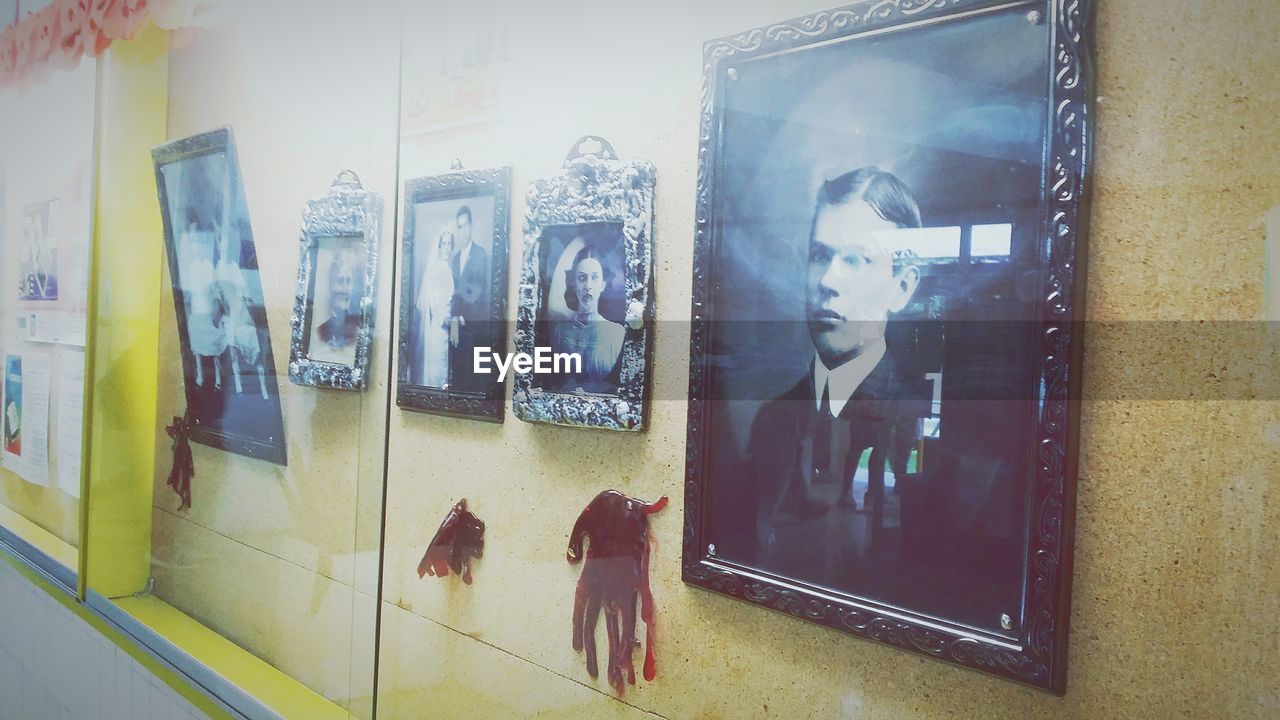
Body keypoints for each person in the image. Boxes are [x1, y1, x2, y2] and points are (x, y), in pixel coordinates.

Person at [745, 166, 928, 564]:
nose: (828, 279)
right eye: (819, 255)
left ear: (902, 287)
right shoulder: (773, 417)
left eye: (857, 260)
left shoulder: (906, 409)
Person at [550, 244, 625, 393]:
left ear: (603, 284)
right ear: (574, 283)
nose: (588, 286)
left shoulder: (617, 334)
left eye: (594, 278)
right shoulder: (558, 333)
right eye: (582, 278)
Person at [448, 205, 489, 392]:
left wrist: (460, 317)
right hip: (456, 325)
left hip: (473, 325)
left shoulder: (480, 254)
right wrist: (454, 317)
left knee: (470, 378)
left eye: (465, 225)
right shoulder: (455, 259)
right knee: (456, 373)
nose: (462, 231)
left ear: (471, 226)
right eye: (459, 226)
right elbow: (453, 292)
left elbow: (477, 291)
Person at [417, 224, 456, 388]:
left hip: (444, 329)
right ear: (439, 247)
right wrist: (450, 321)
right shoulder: (438, 269)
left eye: (449, 244)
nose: (447, 248)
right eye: (444, 244)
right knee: (438, 370)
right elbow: (434, 305)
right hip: (440, 328)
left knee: (444, 369)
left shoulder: (446, 268)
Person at [315, 246, 361, 352]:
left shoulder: (359, 332)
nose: (345, 290)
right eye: (340, 281)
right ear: (331, 285)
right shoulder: (321, 332)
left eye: (348, 281)